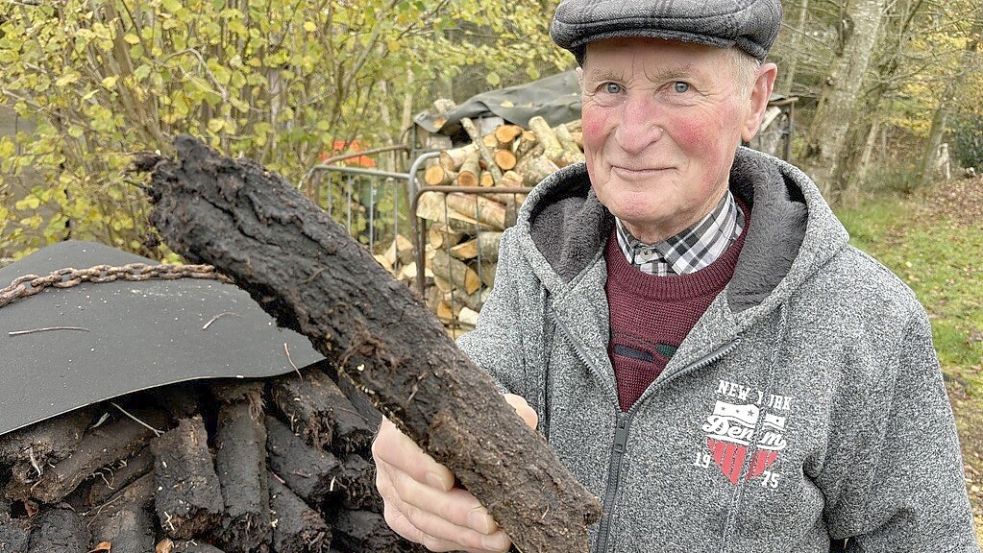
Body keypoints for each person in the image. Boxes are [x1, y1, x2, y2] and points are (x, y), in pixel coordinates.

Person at [372, 1, 981, 551]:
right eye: (609, 87)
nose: (632, 135)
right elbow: (480, 394)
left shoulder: (867, 318)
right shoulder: (540, 262)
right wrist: (418, 454)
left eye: (679, 86)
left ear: (755, 101)